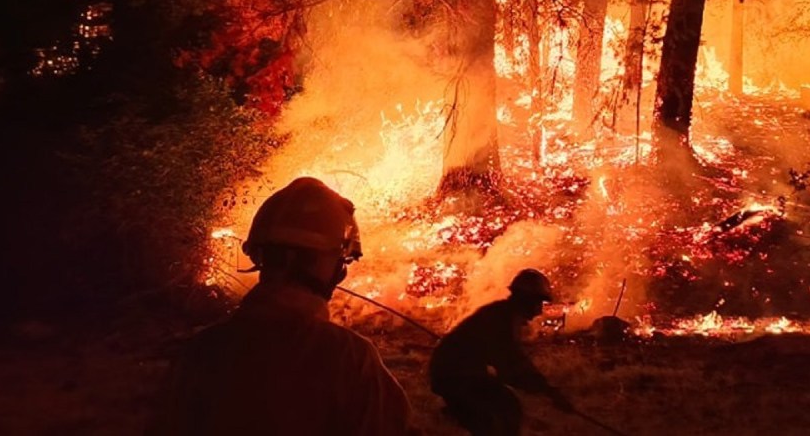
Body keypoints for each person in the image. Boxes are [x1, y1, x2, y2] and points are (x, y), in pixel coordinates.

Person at [147, 177, 412, 436]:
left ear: (260, 256)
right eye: (340, 261)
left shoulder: (200, 353)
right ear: (324, 263)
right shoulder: (351, 360)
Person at [429, 269, 575, 436]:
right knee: (501, 412)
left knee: (505, 407)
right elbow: (512, 366)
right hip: (454, 376)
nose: (539, 310)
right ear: (526, 299)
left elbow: (511, 363)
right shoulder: (501, 321)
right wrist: (549, 391)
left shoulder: (502, 314)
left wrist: (546, 390)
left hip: (456, 373)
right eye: (538, 302)